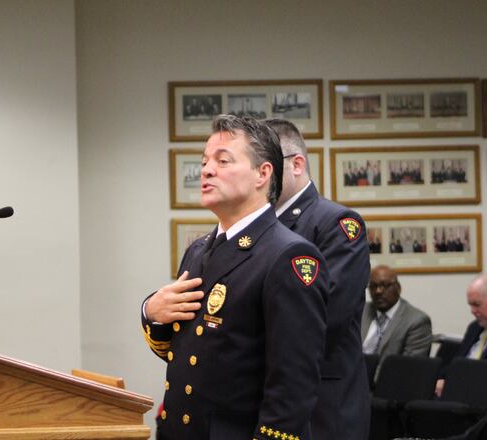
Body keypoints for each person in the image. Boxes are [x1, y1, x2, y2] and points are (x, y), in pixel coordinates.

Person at [141, 115, 329, 439]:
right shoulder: (198, 250)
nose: (207, 170)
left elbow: (292, 388)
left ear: (263, 173)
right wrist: (151, 313)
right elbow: (192, 353)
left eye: (223, 160)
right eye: (204, 161)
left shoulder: (289, 256)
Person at [266, 118, 370, 440]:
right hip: (274, 397)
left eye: (267, 163)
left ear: (297, 164)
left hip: (323, 404)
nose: (260, 173)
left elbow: (329, 315)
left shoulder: (337, 223)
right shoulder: (261, 229)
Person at [361, 265, 432, 360]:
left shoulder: (417, 321)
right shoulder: (360, 311)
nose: (378, 291)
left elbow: (408, 366)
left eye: (385, 285)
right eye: (373, 286)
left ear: (398, 288)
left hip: (389, 374)